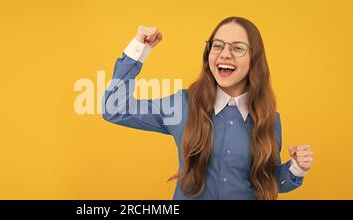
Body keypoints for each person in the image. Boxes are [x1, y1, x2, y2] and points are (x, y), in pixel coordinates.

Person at [102, 17, 314, 200]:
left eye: (238, 48)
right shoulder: (183, 105)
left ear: (254, 58)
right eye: (218, 45)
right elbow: (115, 108)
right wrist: (139, 48)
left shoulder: (269, 118)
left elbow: (270, 182)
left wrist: (296, 168)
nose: (225, 54)